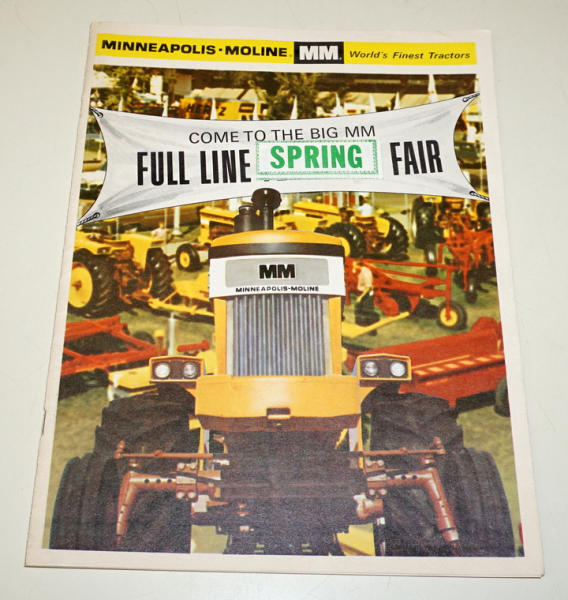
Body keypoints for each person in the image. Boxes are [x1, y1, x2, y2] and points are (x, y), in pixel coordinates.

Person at [353, 260, 379, 330]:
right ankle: (362, 325)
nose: (353, 266)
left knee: (365, 310)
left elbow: (368, 287)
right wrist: (354, 271)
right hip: (364, 292)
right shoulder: (363, 270)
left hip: (366, 293)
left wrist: (361, 297)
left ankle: (369, 327)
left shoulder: (366, 273)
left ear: (358, 265)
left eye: (354, 265)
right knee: (360, 309)